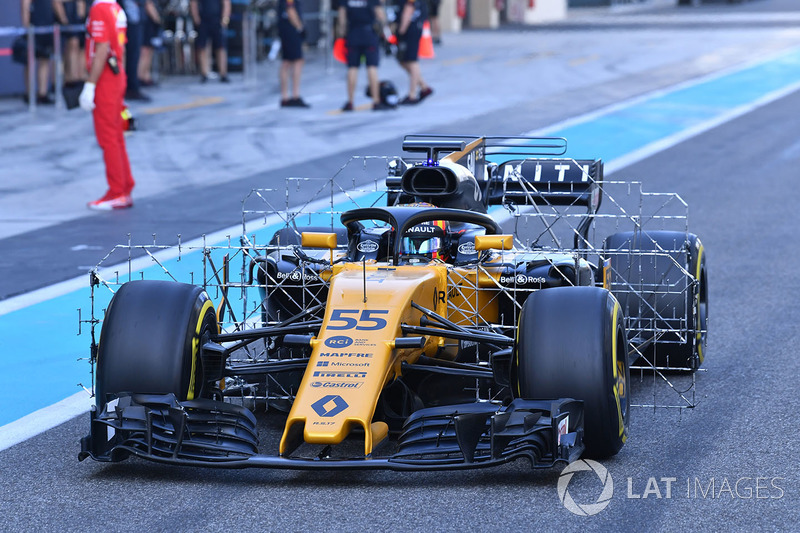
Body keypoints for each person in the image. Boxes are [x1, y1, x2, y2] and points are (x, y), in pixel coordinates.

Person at [79, 0, 135, 210]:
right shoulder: (115, 7)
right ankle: (125, 185)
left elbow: (102, 47)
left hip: (105, 78)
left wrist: (90, 85)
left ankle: (117, 191)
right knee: (117, 135)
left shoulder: (100, 8)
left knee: (108, 136)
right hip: (116, 73)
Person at [337, 0, 392, 111]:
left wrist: (342, 33)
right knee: (372, 67)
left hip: (353, 34)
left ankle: (350, 102)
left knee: (352, 67)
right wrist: (386, 32)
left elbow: (341, 17)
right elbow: (380, 15)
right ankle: (376, 101)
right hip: (369, 34)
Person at [395, 0, 432, 105]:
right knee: (403, 60)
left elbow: (409, 8)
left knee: (411, 60)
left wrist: (401, 30)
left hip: (411, 28)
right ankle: (424, 87)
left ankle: (412, 95)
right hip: (413, 26)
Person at [20, 0, 55, 104]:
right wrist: (26, 27)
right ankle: (30, 93)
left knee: (45, 59)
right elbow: (25, 5)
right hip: (34, 27)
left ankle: (42, 93)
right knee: (30, 61)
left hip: (47, 27)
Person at [190, 0, 231, 83]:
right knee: (202, 47)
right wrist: (196, 18)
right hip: (203, 21)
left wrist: (225, 19)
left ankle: (223, 74)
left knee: (221, 47)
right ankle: (204, 73)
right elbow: (193, 3)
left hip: (217, 20)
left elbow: (226, 3)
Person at [277, 0, 309, 107]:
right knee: (296, 61)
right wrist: (300, 27)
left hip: (286, 27)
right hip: (290, 28)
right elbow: (290, 9)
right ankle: (294, 96)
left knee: (287, 61)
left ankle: (286, 97)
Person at [52, 0, 87, 86]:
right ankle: (71, 77)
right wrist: (64, 20)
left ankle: (80, 75)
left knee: (82, 47)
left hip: (80, 19)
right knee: (72, 45)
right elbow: (56, 2)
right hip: (68, 20)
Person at [137, 0, 162, 87]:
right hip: (147, 22)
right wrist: (157, 19)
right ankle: (140, 76)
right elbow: (148, 4)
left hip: (149, 22)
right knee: (145, 51)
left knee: (149, 50)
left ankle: (146, 75)